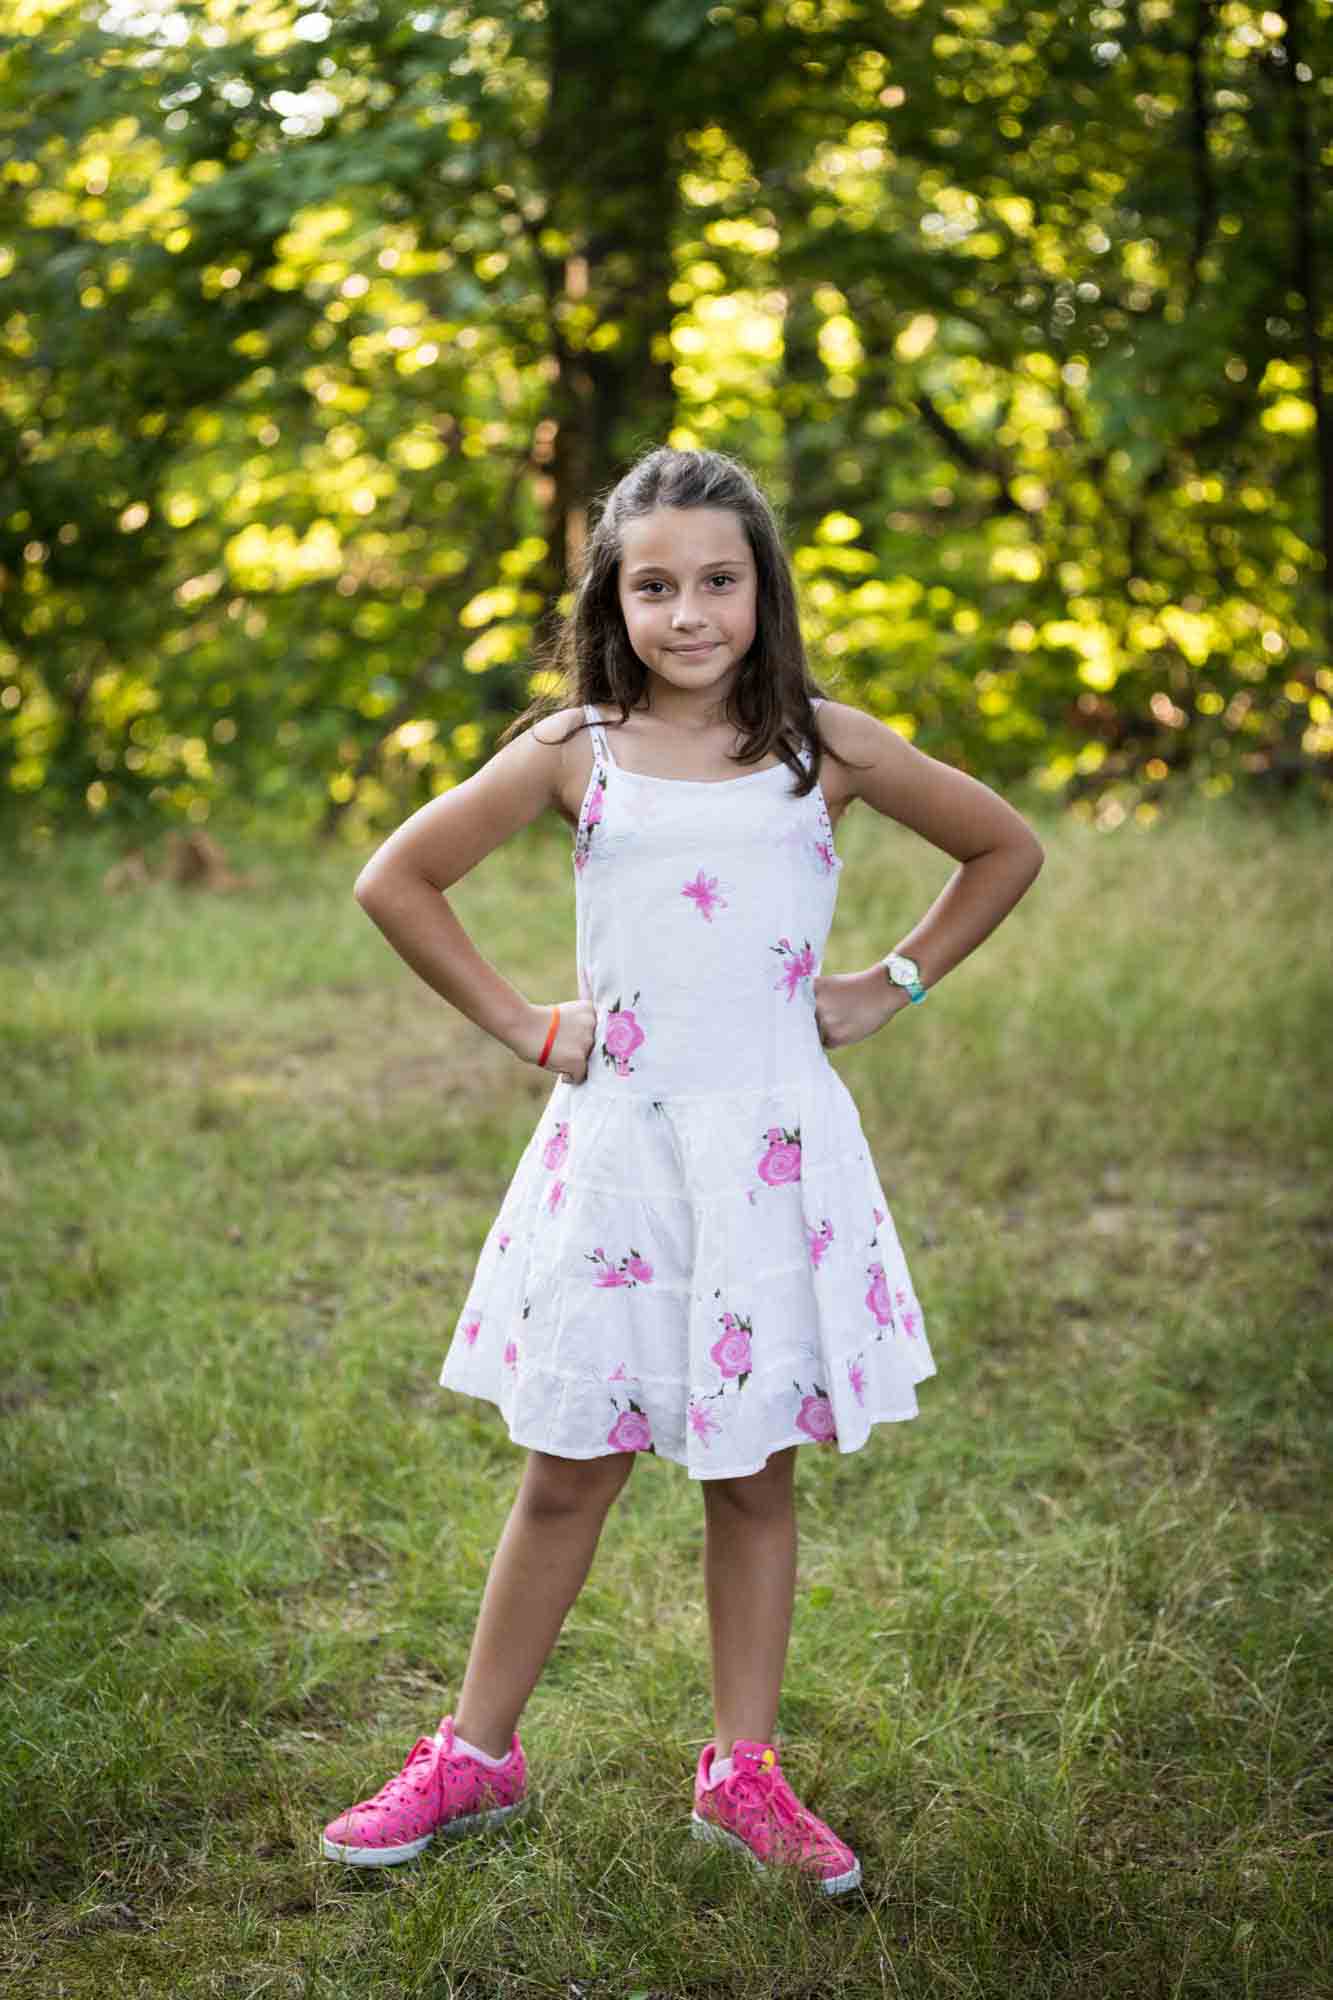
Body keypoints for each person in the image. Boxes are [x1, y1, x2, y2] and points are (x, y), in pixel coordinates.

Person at [321, 445, 1044, 1894]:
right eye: (655, 585)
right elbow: (395, 878)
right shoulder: (571, 751)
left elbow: (1002, 849)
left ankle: (742, 1773)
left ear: (763, 591)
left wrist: (887, 981)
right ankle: (474, 1752)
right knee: (570, 1467)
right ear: (614, 597)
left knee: (753, 1475)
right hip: (625, 1163)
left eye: (718, 580)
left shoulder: (821, 748)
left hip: (769, 1159)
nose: (689, 612)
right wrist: (527, 1025)